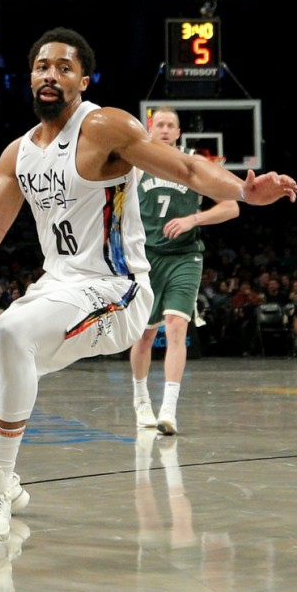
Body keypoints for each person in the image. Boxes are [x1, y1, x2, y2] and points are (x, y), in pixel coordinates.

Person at [0, 27, 297, 541]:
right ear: (29, 77)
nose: (50, 74)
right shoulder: (17, 154)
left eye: (64, 67)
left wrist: (244, 191)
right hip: (55, 288)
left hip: (115, 290)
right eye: (41, 66)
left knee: (14, 335)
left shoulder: (103, 127)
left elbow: (187, 167)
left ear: (83, 80)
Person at [129, 106, 240, 435]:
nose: (164, 129)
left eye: (170, 125)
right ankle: (140, 401)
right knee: (146, 334)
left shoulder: (193, 164)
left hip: (185, 256)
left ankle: (169, 409)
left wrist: (193, 219)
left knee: (177, 327)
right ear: (150, 129)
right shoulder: (136, 164)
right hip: (146, 258)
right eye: (159, 124)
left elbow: (231, 207)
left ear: (178, 133)